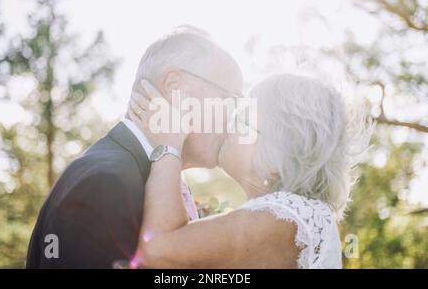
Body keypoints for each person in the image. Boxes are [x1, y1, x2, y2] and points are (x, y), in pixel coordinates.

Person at [26, 25, 243, 268]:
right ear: (175, 87)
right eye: (228, 98)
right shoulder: (105, 184)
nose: (232, 117)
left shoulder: (142, 176)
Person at [130, 74, 372, 268]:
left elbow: (157, 252)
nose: (227, 125)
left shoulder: (287, 217)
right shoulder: (291, 217)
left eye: (242, 120)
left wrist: (168, 145)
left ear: (278, 156)